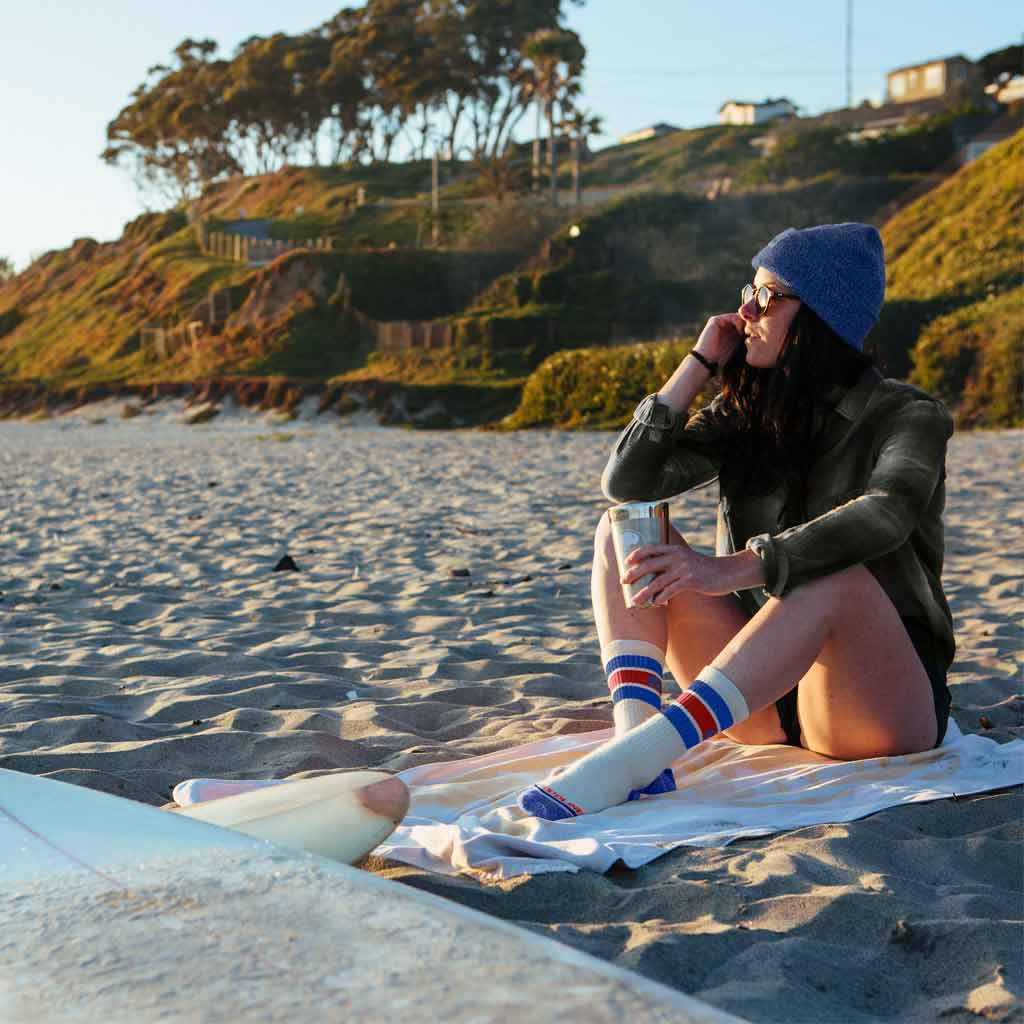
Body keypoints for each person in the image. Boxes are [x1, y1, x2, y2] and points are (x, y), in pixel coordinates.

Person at [519, 223, 955, 821]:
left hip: (871, 702)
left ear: (821, 316)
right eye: (748, 290)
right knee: (625, 526)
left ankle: (641, 753)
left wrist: (729, 570)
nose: (744, 309)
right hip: (757, 699)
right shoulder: (747, 413)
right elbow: (628, 484)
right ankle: (637, 746)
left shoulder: (909, 416)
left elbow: (888, 513)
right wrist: (697, 362)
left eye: (768, 296)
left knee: (835, 578)